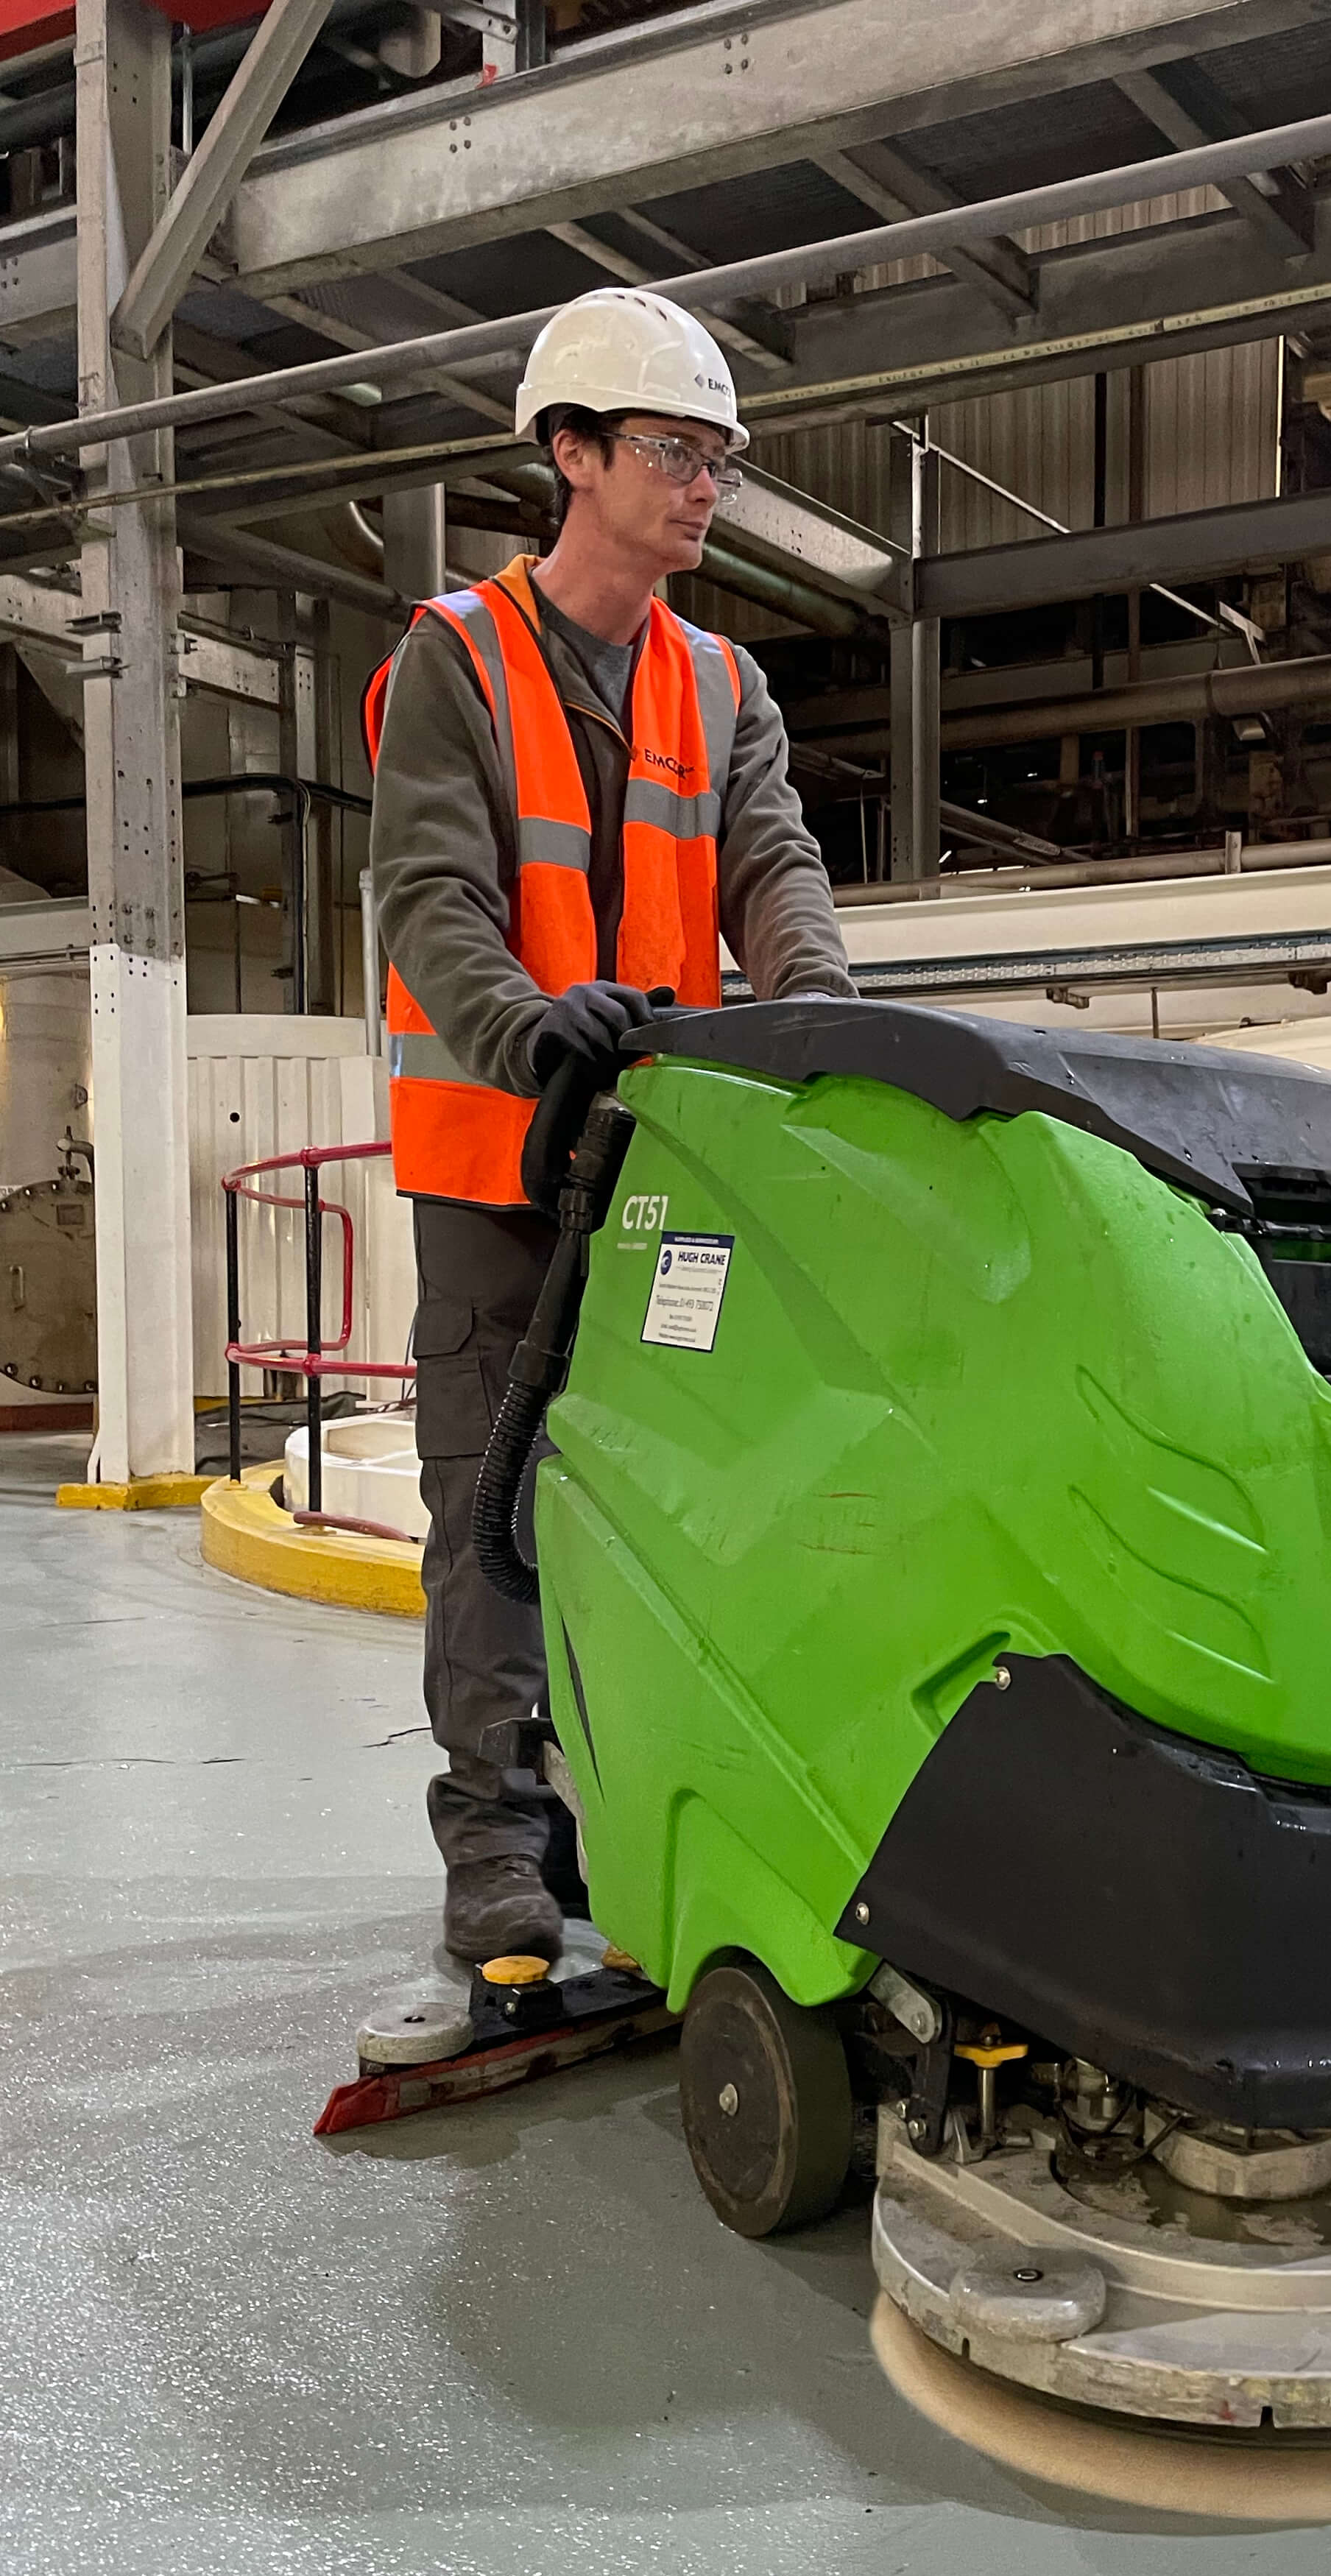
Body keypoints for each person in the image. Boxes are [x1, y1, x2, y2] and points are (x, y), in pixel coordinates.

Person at [367, 285, 855, 1963]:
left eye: (720, 457)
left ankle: (617, 1801)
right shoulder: (459, 658)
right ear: (568, 453)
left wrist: (821, 1018)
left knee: (656, 1500)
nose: (705, 483)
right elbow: (426, 887)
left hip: (664, 1174)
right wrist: (518, 1027)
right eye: (672, 449)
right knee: (488, 1506)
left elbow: (774, 867)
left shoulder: (723, 683)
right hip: (498, 1166)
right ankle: (493, 1838)